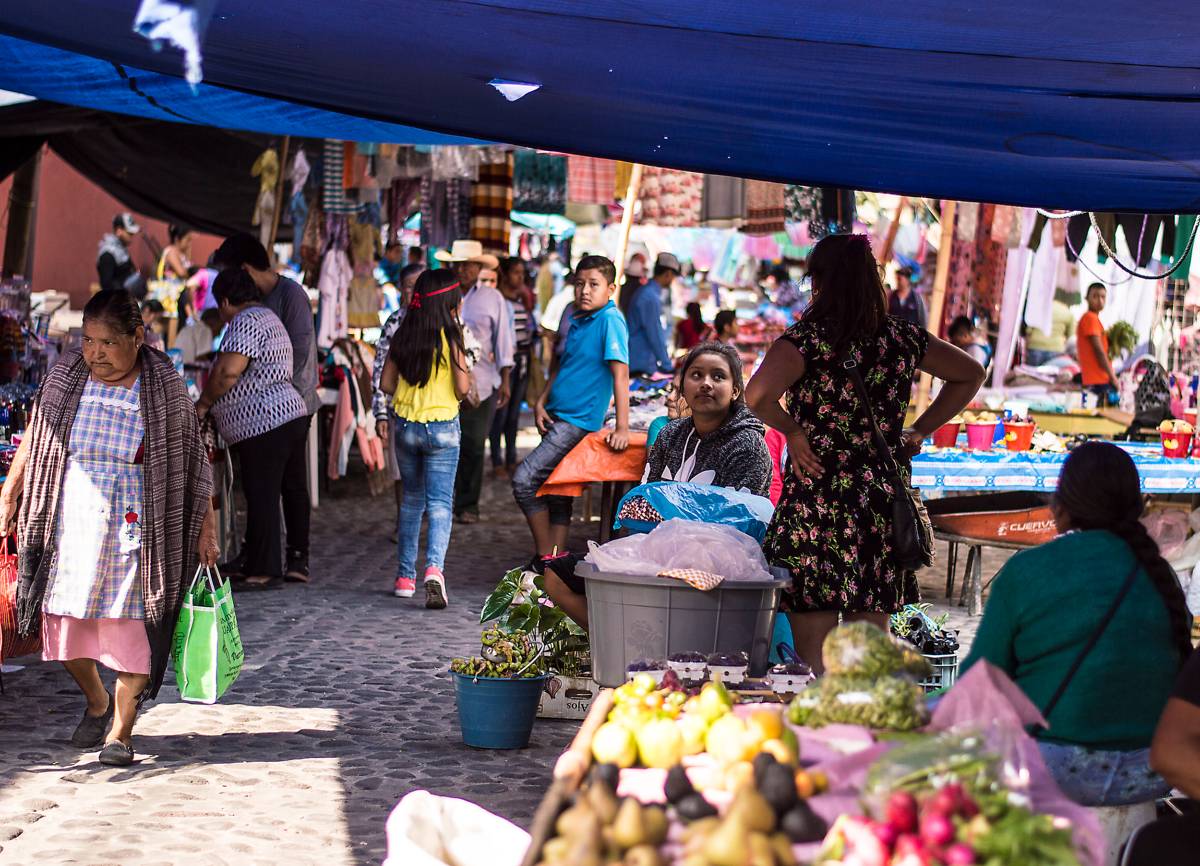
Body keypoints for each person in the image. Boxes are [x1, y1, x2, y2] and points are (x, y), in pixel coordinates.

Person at [746, 234, 984, 673]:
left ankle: (817, 731)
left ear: (819, 282)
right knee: (868, 652)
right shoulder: (902, 338)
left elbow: (757, 395)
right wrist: (921, 429)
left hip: (818, 502)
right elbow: (971, 373)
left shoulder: (806, 341)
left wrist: (794, 432)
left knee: (813, 657)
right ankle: (864, 733)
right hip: (878, 503)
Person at [0, 289, 216, 766]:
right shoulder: (67, 374)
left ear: (138, 338)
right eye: (88, 341)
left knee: (132, 627)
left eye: (107, 343)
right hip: (71, 523)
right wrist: (12, 489)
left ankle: (120, 732)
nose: (95, 353)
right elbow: (40, 432)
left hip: (138, 527)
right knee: (61, 623)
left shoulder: (164, 387)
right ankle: (97, 702)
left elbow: (195, 460)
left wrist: (207, 526)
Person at [962, 441, 1191, 806]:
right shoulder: (1160, 574)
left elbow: (976, 685)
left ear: (1060, 507)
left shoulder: (1027, 570)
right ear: (1138, 507)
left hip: (1052, 769)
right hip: (1150, 771)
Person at [514, 255, 629, 624]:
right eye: (580, 283)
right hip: (558, 413)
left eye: (594, 284)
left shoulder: (611, 319)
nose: (584, 290)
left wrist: (623, 427)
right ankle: (554, 567)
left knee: (524, 480)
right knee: (559, 492)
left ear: (610, 289)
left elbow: (620, 373)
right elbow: (563, 364)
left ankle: (543, 558)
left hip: (579, 420)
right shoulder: (575, 316)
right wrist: (542, 398)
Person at [212, 233, 318, 581]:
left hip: (277, 415)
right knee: (265, 492)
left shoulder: (275, 305)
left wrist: (205, 402)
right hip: (281, 413)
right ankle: (258, 560)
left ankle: (277, 564)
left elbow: (229, 371)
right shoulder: (263, 313)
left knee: (272, 491)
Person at [380, 270, 471, 608]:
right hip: (443, 428)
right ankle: (434, 569)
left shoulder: (403, 334)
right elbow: (462, 389)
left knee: (411, 502)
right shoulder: (452, 337)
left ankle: (405, 578)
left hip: (406, 428)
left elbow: (386, 384)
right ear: (450, 303)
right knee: (440, 504)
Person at [435, 240, 513, 524]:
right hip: (442, 381)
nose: (464, 270)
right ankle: (443, 501)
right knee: (444, 442)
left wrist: (505, 379)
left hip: (482, 381)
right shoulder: (441, 294)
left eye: (469, 264)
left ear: (479, 267)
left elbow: (504, 341)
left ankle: (468, 504)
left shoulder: (493, 299)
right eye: (459, 264)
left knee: (474, 444)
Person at [644, 343, 771, 495]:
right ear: (683, 388)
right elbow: (647, 497)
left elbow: (734, 515)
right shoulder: (669, 434)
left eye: (718, 376)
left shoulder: (748, 447)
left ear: (735, 391)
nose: (706, 384)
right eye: (696, 375)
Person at [373, 263, 426, 512]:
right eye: (409, 287)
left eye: (420, 286)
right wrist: (380, 413)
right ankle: (402, 520)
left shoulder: (437, 320)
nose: (414, 292)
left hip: (432, 413)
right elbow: (379, 370)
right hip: (399, 411)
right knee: (400, 473)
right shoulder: (394, 323)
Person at [490, 258, 536, 478]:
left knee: (514, 414)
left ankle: (510, 457)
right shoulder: (499, 301)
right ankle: (497, 460)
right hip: (507, 365)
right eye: (515, 272)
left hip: (523, 362)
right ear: (505, 274)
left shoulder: (520, 301)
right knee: (501, 414)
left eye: (522, 273)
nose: (520, 277)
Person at [625, 252, 678, 376]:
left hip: (639, 359)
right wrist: (667, 364)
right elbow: (654, 332)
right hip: (639, 363)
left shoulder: (648, 292)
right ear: (668, 274)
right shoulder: (649, 296)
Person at [1078, 282, 1118, 396]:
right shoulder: (1090, 318)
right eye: (1095, 296)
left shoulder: (1095, 319)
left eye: (1103, 297)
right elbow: (1099, 351)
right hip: (1097, 381)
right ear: (1087, 298)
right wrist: (1113, 377)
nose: (1100, 300)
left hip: (1097, 380)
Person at [96, 213, 146, 298]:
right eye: (129, 233)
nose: (132, 236)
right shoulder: (107, 254)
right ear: (119, 231)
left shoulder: (121, 249)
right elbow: (107, 286)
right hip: (118, 305)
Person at [1024, 289, 1074, 366]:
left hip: (1035, 347)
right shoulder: (1068, 312)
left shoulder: (1038, 306)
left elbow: (1028, 332)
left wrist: (1026, 350)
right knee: (1050, 377)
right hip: (1056, 349)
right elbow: (1071, 338)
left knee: (1030, 376)